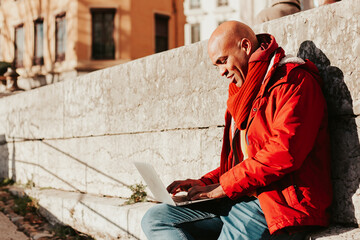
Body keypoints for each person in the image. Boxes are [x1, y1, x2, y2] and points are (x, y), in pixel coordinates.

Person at [141, 21, 332, 240]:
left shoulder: (293, 81)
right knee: (156, 219)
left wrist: (223, 187)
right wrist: (204, 183)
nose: (221, 72)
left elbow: (282, 154)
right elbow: (244, 161)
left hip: (277, 203)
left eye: (223, 61)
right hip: (242, 197)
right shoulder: (243, 93)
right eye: (216, 65)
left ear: (245, 46)